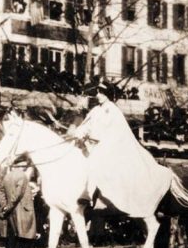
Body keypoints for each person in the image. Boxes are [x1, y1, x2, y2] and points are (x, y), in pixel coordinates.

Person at [73, 83, 173, 216]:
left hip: (108, 146)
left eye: (102, 93)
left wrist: (94, 139)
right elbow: (87, 125)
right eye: (98, 92)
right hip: (91, 145)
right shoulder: (96, 110)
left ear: (108, 95)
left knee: (95, 161)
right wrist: (79, 133)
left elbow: (116, 132)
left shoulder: (113, 111)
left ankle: (88, 194)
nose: (99, 95)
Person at [0, 156, 37, 248]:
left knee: (13, 236)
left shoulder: (7, 177)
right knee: (27, 235)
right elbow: (18, 194)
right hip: (23, 209)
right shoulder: (22, 176)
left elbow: (2, 193)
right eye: (26, 165)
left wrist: (5, 206)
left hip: (11, 211)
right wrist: (10, 205)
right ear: (22, 165)